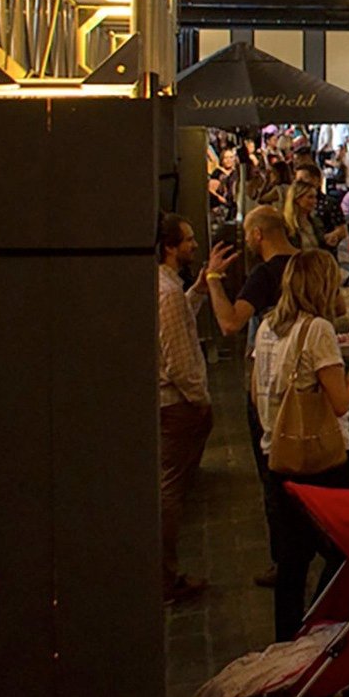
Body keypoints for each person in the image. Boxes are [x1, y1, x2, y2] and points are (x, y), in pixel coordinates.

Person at [253, 250, 349, 640]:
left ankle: (287, 643)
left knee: (292, 561)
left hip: (278, 453)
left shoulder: (267, 326)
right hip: (324, 460)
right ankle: (324, 627)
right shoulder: (318, 329)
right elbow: (340, 402)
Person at [154, 215, 213, 605]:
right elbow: (178, 360)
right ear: (170, 247)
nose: (194, 245)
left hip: (169, 403)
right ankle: (164, 577)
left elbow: (177, 325)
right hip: (176, 405)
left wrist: (200, 290)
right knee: (169, 491)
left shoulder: (169, 288)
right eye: (189, 240)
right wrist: (201, 400)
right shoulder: (167, 292)